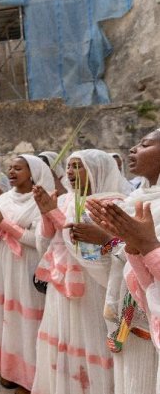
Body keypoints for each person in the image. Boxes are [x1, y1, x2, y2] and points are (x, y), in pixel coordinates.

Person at [32, 150, 128, 394]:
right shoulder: (64, 200)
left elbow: (102, 252)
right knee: (62, 339)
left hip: (94, 289)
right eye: (70, 167)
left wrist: (53, 213)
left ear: (98, 170)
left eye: (78, 167)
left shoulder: (114, 204)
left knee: (92, 343)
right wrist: (46, 212)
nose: (71, 173)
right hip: (61, 286)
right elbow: (46, 241)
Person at [87, 130, 160, 394]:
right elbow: (129, 249)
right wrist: (114, 239)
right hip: (128, 304)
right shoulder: (135, 200)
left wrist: (110, 239)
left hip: (149, 315)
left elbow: (147, 248)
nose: (133, 148)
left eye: (145, 144)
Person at [0, 154, 55, 393]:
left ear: (32, 172)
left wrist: (4, 224)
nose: (12, 172)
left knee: (29, 320)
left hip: (29, 265)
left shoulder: (40, 202)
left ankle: (29, 378)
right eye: (10, 168)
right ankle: (10, 370)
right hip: (6, 264)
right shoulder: (3, 198)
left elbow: (39, 241)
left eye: (18, 168)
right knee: (8, 317)